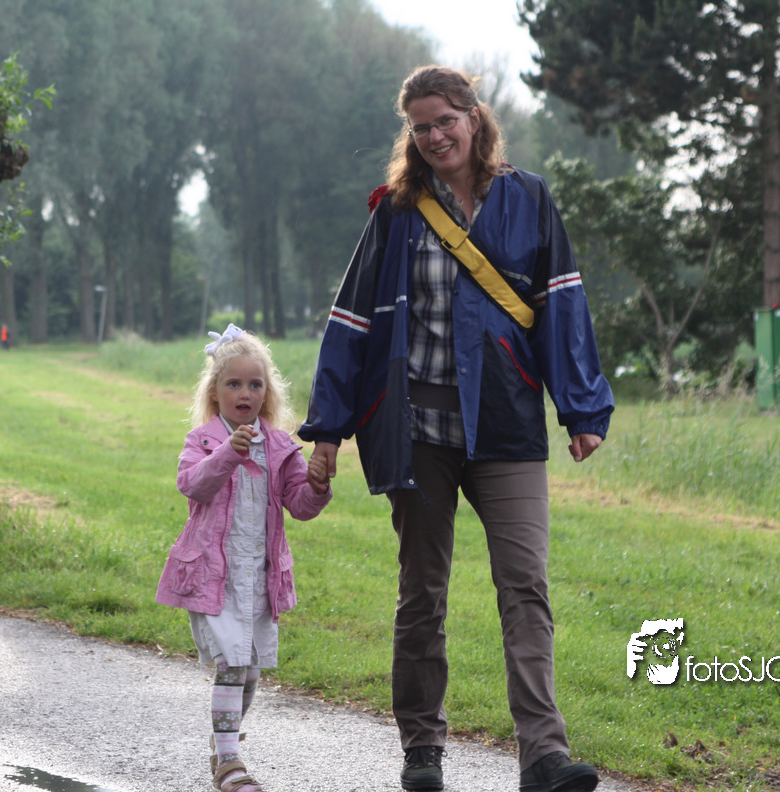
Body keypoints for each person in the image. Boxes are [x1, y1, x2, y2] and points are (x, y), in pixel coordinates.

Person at [299, 66, 614, 792]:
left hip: (506, 424)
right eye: (421, 126)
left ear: (475, 116)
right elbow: (351, 321)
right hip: (416, 430)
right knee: (423, 593)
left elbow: (561, 302)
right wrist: (328, 430)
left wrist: (580, 409)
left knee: (526, 585)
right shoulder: (396, 211)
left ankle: (544, 756)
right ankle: (422, 751)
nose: (436, 135)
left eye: (446, 119)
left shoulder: (529, 199)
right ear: (409, 134)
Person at [156, 324, 332, 792]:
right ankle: (230, 764)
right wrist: (227, 455)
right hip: (214, 578)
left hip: (258, 579)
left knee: (250, 672)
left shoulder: (280, 447)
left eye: (255, 384)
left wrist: (317, 485)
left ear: (266, 393)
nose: (245, 393)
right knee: (231, 665)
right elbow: (193, 485)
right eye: (234, 383)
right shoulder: (203, 442)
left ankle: (223, 743)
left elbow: (300, 505)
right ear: (215, 392)